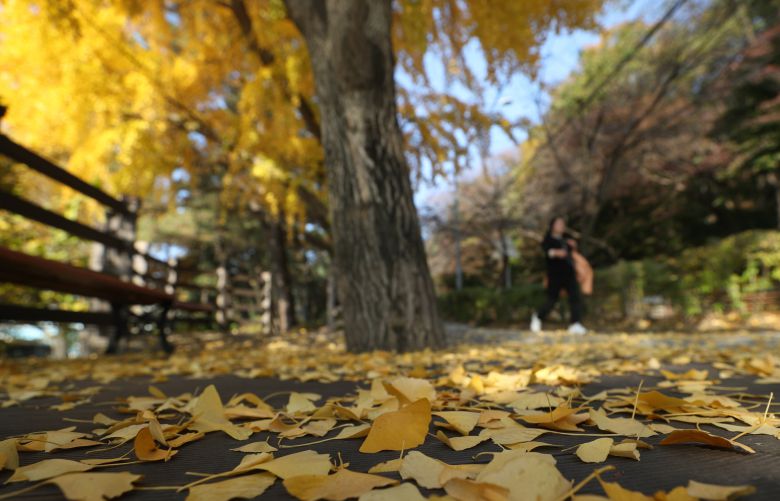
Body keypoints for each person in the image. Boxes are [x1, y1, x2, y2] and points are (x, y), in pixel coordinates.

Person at [530, 216, 588, 335]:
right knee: (552, 300)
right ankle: (538, 317)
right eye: (558, 224)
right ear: (552, 226)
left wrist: (572, 245)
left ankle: (575, 324)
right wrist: (556, 252)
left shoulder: (565, 240)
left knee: (575, 297)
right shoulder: (548, 239)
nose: (561, 226)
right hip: (555, 275)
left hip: (569, 274)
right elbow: (547, 252)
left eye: (562, 224)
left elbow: (572, 254)